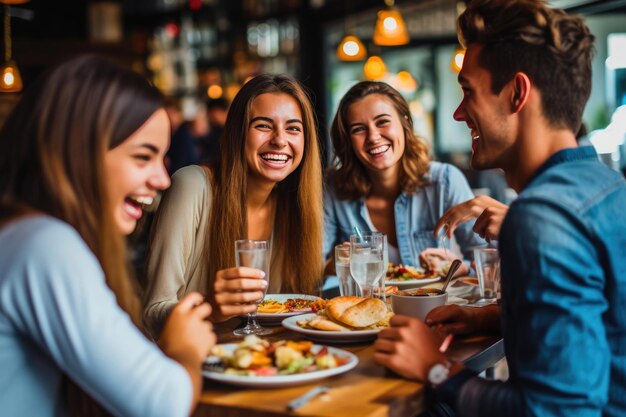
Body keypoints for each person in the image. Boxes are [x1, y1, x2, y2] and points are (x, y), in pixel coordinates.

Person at [374, 1, 626, 416]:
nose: (458, 112)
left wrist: (436, 369)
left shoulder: (540, 216)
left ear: (517, 93)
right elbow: (600, 326)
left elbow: (560, 410)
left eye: (468, 91)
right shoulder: (608, 184)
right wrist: (492, 318)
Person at [0, 55, 215, 416]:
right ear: (77, 152)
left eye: (162, 159)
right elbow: (163, 404)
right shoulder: (45, 245)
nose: (162, 180)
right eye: (143, 157)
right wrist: (185, 349)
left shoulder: (20, 232)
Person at [143, 74, 323, 338]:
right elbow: (151, 314)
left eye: (293, 128)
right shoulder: (192, 185)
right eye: (263, 125)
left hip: (260, 364)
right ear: (238, 132)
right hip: (194, 366)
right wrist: (210, 308)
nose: (280, 140)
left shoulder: (293, 206)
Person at [323, 81, 485, 276]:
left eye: (382, 122)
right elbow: (312, 267)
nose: (373, 137)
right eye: (358, 129)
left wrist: (460, 268)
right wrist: (335, 265)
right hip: (368, 306)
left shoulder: (445, 181)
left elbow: (487, 258)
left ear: (404, 123)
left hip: (433, 305)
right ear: (348, 141)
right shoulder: (333, 189)